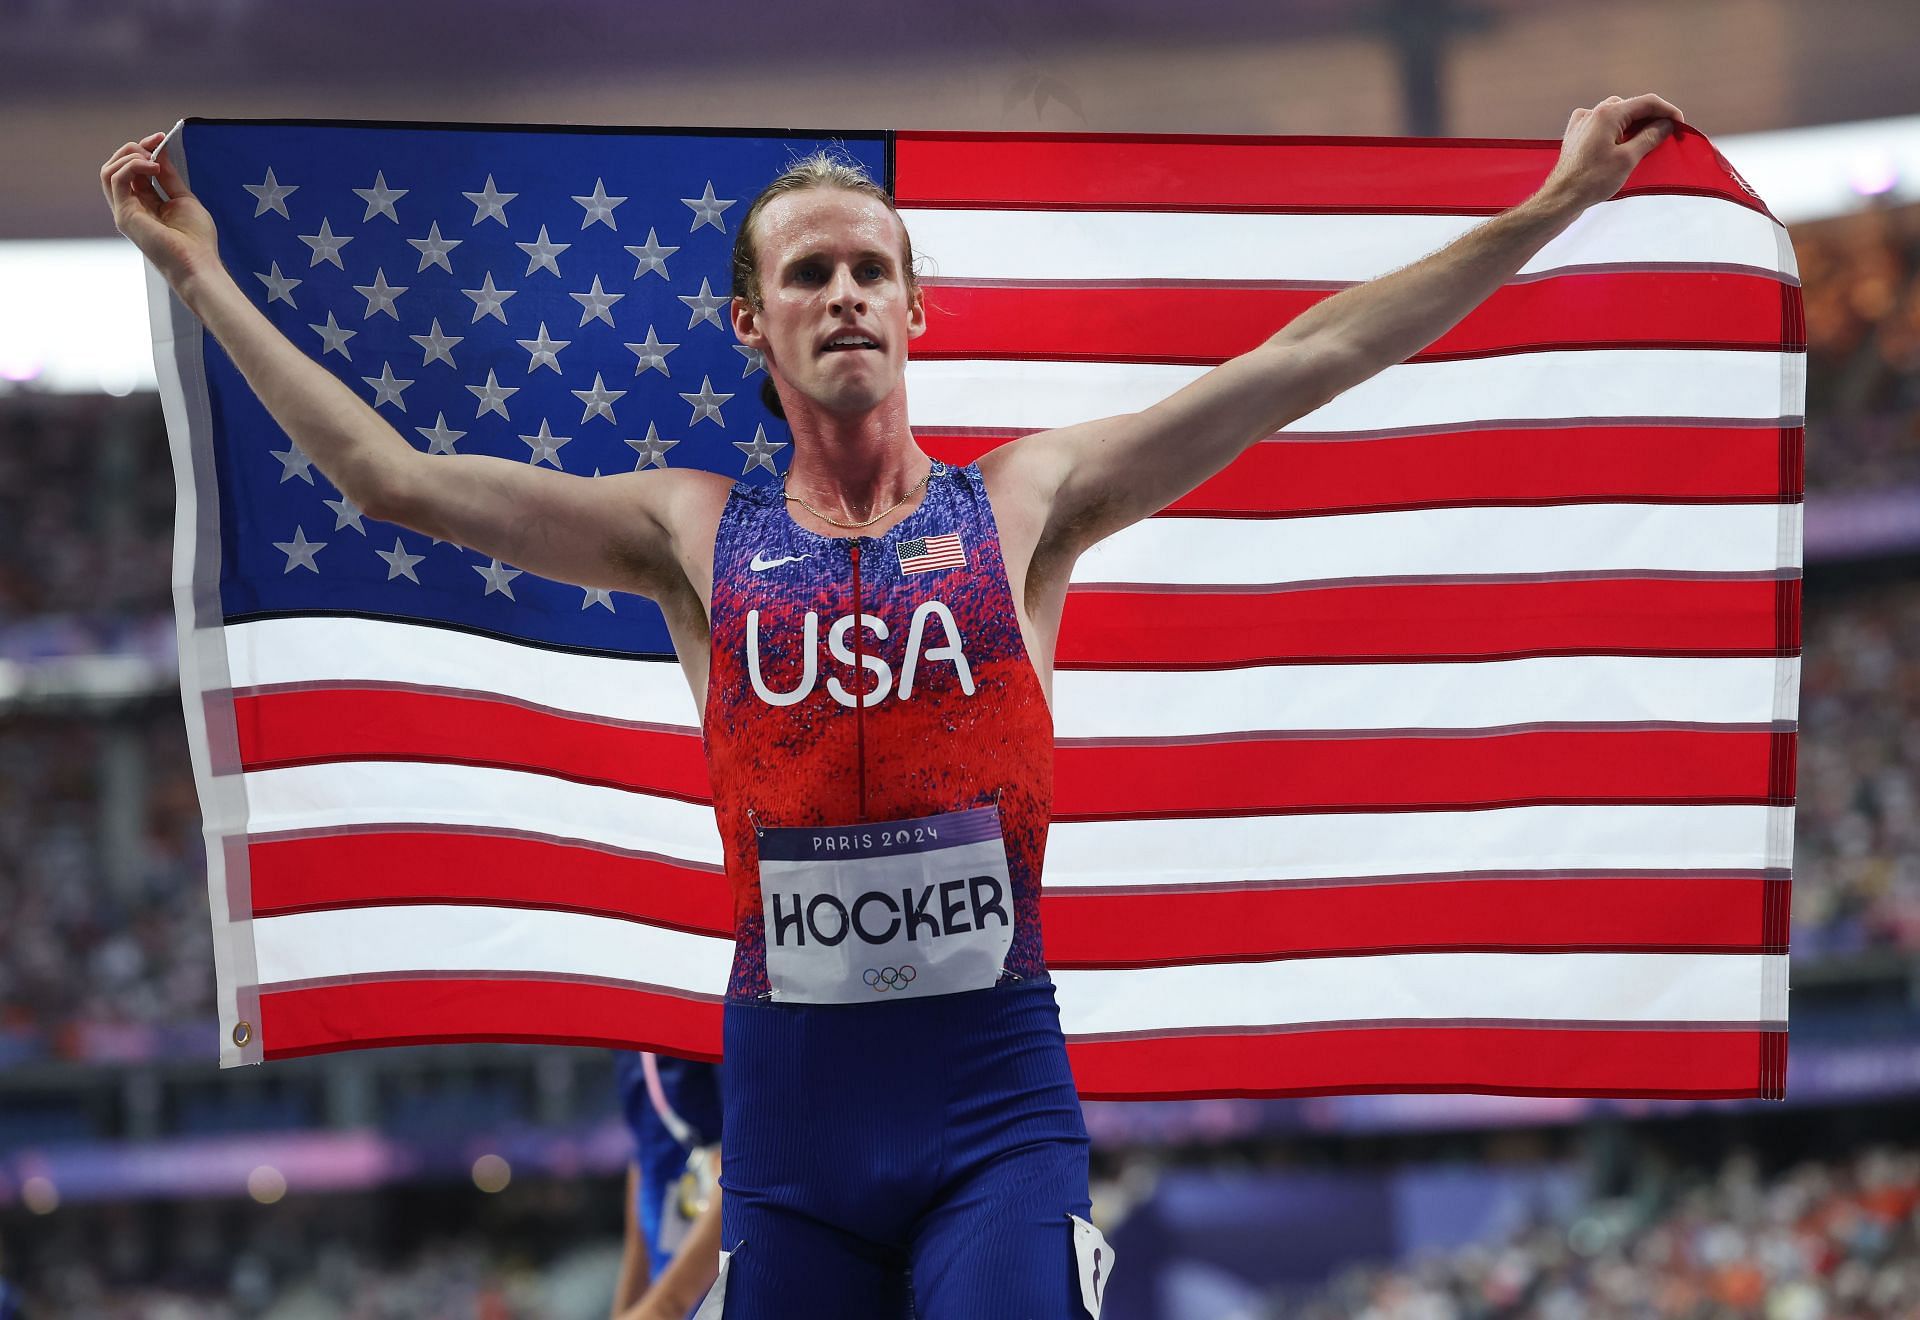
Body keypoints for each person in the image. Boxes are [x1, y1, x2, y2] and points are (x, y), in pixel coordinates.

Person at [103, 92, 1683, 1316]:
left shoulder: (1027, 504)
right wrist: (204, 275)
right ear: (755, 327)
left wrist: (1551, 204)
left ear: (919, 311)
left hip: (991, 1100)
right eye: (811, 275)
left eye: (874, 270)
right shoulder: (689, 534)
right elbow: (390, 481)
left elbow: (1311, 355)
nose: (846, 293)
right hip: (789, 1135)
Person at [610, 1053, 726, 1320]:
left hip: (720, 1285)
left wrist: (665, 1305)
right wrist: (628, 1306)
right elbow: (645, 1158)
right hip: (671, 1278)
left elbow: (753, 1163)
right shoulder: (626, 1040)